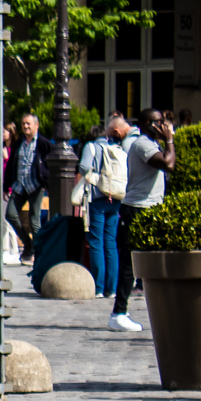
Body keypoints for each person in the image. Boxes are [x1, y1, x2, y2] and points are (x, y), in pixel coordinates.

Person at [111, 107, 176, 333]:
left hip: (149, 208)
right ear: (148, 124)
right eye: (159, 122)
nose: (164, 125)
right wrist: (170, 140)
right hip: (138, 209)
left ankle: (160, 310)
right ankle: (118, 313)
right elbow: (168, 163)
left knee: (156, 260)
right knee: (131, 264)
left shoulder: (150, 143)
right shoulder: (142, 144)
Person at [80, 115, 131, 303]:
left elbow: (84, 167)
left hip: (98, 198)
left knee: (95, 241)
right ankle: (112, 288)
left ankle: (98, 287)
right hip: (116, 198)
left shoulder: (92, 147)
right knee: (111, 243)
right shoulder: (118, 148)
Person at [7, 113, 41, 262]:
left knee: (34, 220)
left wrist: (45, 180)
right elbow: (11, 165)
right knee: (10, 214)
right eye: (24, 124)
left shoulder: (42, 143)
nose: (26, 127)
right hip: (19, 185)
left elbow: (47, 163)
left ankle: (38, 251)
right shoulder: (19, 143)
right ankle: (28, 243)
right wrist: (5, 186)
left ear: (36, 125)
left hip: (35, 185)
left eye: (29, 124)